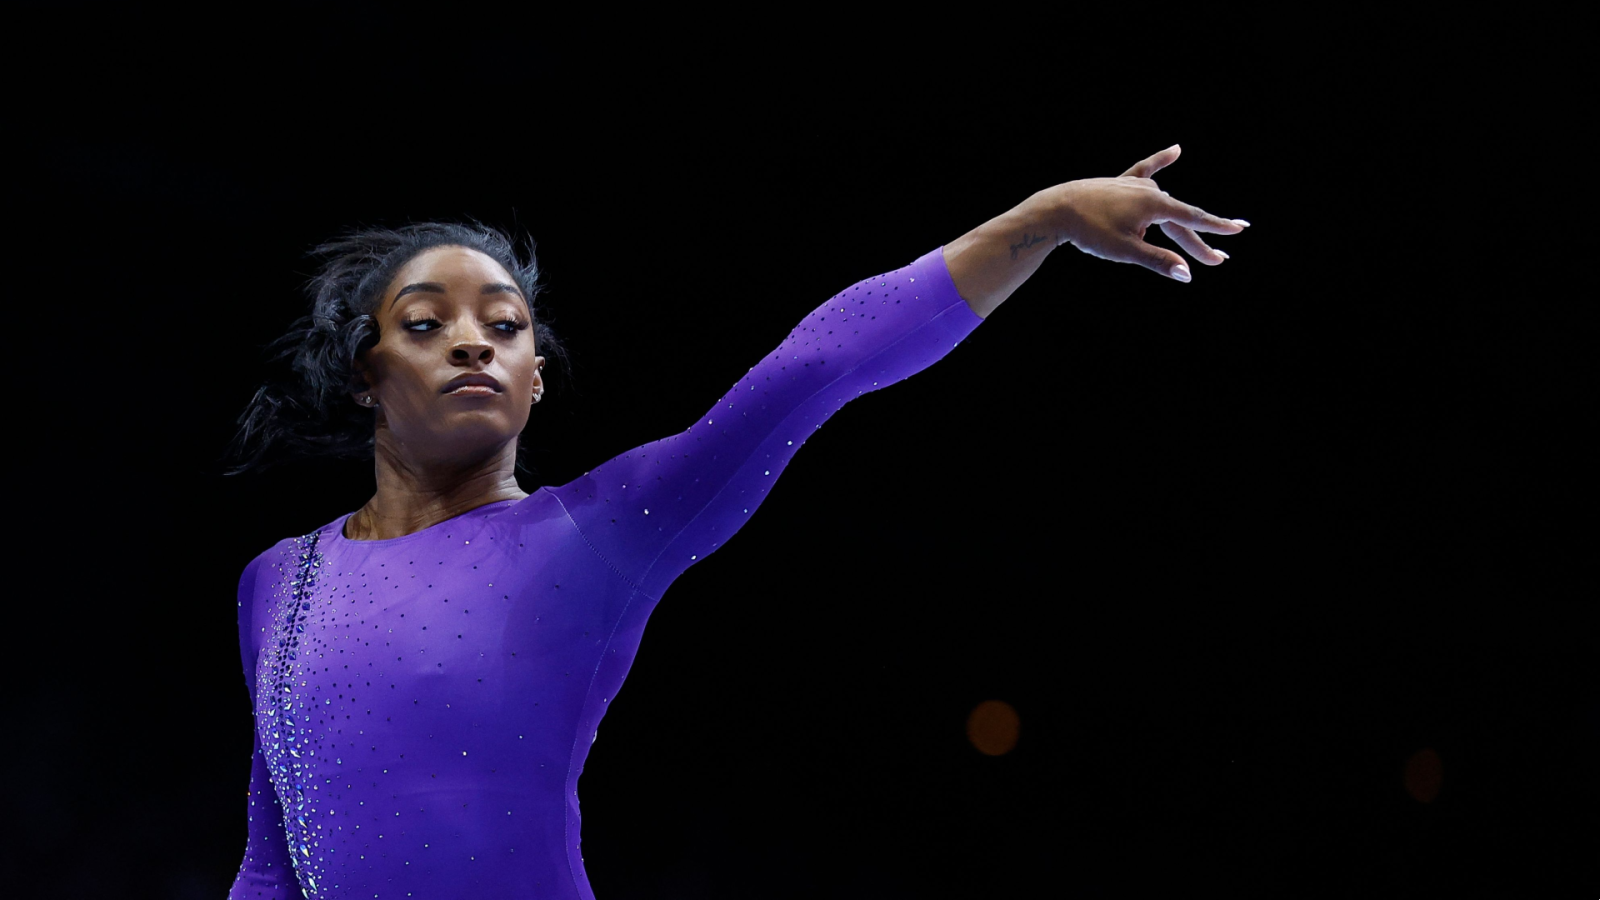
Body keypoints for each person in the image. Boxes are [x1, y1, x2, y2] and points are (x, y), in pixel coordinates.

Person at [227, 145, 1246, 898]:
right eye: (425, 324)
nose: (472, 345)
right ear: (366, 376)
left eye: (504, 328)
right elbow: (270, 866)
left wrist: (1041, 219)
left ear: (536, 382)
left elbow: (816, 367)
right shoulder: (282, 578)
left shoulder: (596, 534)